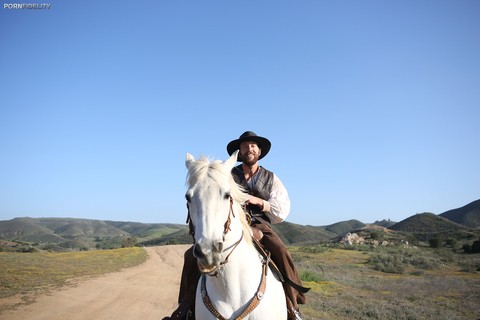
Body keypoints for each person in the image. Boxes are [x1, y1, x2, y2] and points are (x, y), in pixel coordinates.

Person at [164, 131, 306, 320]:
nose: (249, 149)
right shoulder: (226, 174)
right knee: (191, 256)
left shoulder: (271, 178)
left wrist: (259, 202)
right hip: (232, 223)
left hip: (260, 225)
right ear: (239, 151)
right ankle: (185, 307)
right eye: (245, 146)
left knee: (280, 250)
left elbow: (282, 210)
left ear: (259, 151)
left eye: (253, 146)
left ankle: (292, 305)